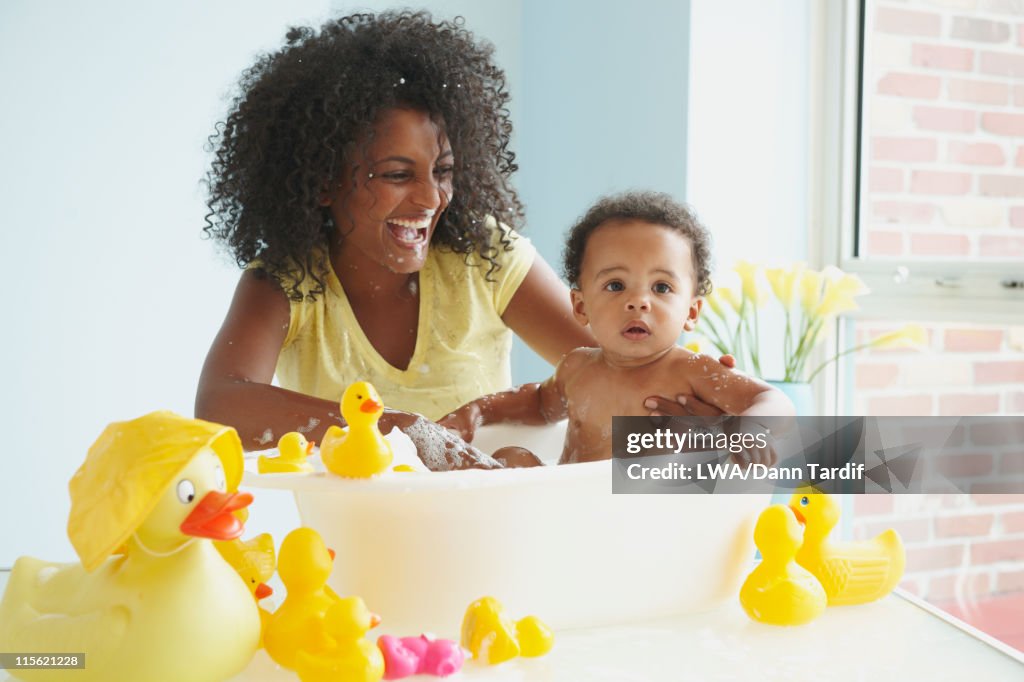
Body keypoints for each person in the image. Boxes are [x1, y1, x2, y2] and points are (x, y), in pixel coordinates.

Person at [195, 12, 723, 467]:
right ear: (325, 182)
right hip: (356, 545)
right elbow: (220, 403)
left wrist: (692, 403)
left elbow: (618, 361)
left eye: (443, 171)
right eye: (398, 175)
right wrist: (398, 431)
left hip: (490, 529)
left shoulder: (483, 258)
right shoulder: (288, 281)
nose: (431, 198)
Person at [439, 192, 795, 465]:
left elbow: (773, 401)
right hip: (574, 515)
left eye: (661, 288)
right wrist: (477, 411)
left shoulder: (690, 372)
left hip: (643, 522)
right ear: (580, 306)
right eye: (615, 286)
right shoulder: (577, 368)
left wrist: (747, 431)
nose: (639, 301)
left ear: (691, 310)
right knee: (512, 456)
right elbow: (537, 404)